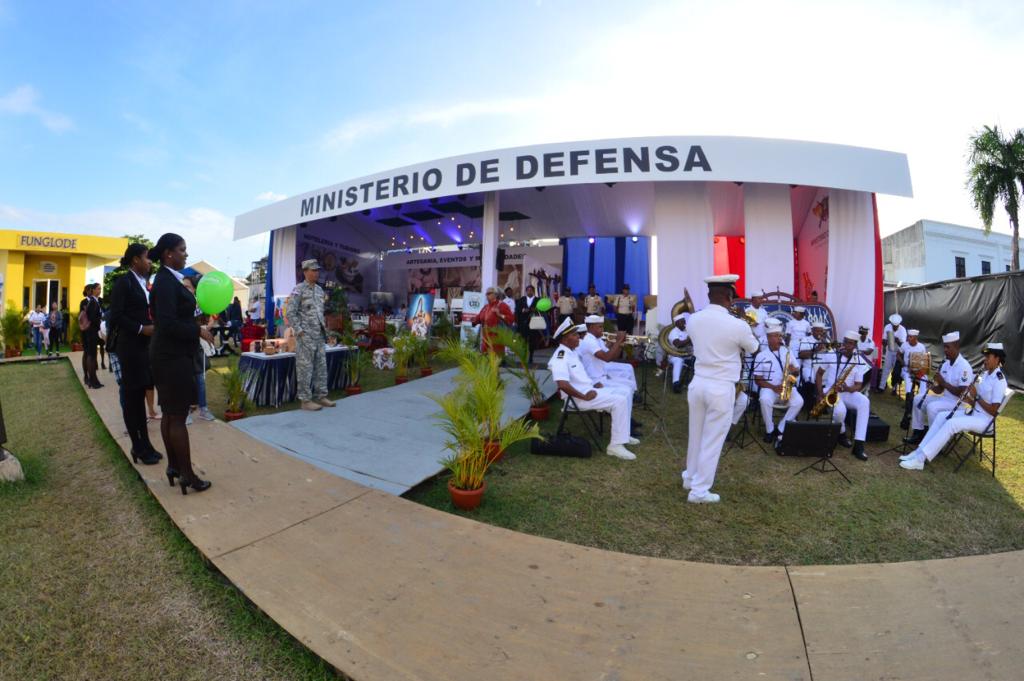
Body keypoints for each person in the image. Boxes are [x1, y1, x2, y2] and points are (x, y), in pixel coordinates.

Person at [682, 274, 760, 503]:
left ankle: (690, 476)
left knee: (695, 434)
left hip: (698, 383)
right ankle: (699, 491)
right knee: (712, 439)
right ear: (730, 296)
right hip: (721, 386)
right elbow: (753, 348)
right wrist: (745, 323)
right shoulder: (738, 325)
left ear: (708, 295)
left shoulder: (694, 319)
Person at [148, 233, 214, 494]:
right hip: (171, 357)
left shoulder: (168, 279)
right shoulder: (165, 282)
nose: (186, 254)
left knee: (170, 414)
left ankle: (174, 467)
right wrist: (197, 331)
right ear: (168, 254)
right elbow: (167, 323)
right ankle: (188, 474)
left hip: (169, 355)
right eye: (182, 250)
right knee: (177, 416)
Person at [900, 342, 1008, 471]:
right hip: (974, 413)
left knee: (951, 424)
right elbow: (977, 402)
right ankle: (918, 452)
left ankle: (920, 459)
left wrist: (977, 396)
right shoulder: (985, 375)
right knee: (941, 417)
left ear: (997, 359)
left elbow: (994, 411)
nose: (985, 360)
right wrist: (969, 398)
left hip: (985, 421)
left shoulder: (999, 380)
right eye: (985, 357)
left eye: (988, 357)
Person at [547, 318, 639, 460]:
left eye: (577, 334)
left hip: (589, 390)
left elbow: (582, 374)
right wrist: (583, 396)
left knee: (626, 392)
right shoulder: (560, 357)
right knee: (619, 401)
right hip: (578, 399)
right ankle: (615, 446)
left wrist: (593, 383)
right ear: (565, 339)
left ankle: (624, 435)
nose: (579, 337)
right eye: (574, 335)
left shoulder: (572, 352)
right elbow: (563, 385)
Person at [107, 243, 163, 465]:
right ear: (135, 261)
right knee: (132, 399)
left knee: (141, 395)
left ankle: (146, 444)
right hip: (130, 347)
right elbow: (116, 316)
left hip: (144, 347)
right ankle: (137, 446)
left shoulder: (143, 283)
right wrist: (142, 328)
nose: (150, 262)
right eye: (147, 258)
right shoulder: (124, 283)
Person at [904, 331, 974, 446]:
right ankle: (918, 432)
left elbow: (962, 393)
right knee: (918, 399)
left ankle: (936, 441)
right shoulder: (946, 364)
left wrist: (943, 382)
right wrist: (931, 385)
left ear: (956, 347)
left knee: (932, 407)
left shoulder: (964, 366)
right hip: (944, 398)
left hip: (957, 403)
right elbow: (940, 390)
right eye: (944, 347)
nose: (945, 350)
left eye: (948, 347)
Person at [286, 259, 336, 412]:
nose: (316, 273)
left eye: (317, 270)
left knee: (321, 366)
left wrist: (326, 332)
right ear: (305, 271)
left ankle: (321, 396)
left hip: (319, 335)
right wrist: (300, 331)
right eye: (313, 270)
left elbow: (320, 314)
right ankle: (305, 400)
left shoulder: (320, 291)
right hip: (305, 336)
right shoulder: (298, 289)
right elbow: (290, 312)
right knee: (305, 368)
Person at [813, 331, 872, 460]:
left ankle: (859, 444)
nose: (846, 345)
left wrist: (848, 388)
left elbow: (858, 385)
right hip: (831, 392)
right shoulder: (832, 355)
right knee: (840, 411)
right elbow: (819, 374)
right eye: (845, 341)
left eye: (850, 343)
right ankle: (841, 433)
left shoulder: (858, 360)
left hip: (847, 392)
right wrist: (820, 393)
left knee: (864, 401)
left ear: (855, 345)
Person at [752, 320, 802, 444]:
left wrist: (794, 371)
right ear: (769, 338)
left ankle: (781, 428)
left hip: (787, 387)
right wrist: (773, 387)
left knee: (799, 401)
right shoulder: (761, 355)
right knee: (764, 399)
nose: (780, 338)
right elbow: (757, 379)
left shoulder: (787, 352)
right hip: (770, 388)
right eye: (776, 336)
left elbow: (797, 372)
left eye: (780, 335)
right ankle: (769, 430)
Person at [181, 276, 216, 424]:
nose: (185, 289)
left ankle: (203, 409)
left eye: (188, 287)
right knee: (186, 381)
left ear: (194, 289)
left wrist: (206, 328)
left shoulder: (199, 304)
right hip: (182, 347)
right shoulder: (178, 303)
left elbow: (212, 316)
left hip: (196, 346)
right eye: (183, 286)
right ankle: (187, 411)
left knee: (200, 380)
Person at [578, 315, 638, 394]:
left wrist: (620, 345)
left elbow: (613, 357)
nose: (602, 330)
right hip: (596, 380)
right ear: (592, 327)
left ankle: (634, 398)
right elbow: (607, 358)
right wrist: (618, 341)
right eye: (600, 327)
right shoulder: (589, 341)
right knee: (627, 388)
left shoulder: (596, 339)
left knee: (630, 384)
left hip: (603, 375)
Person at [898, 329, 929, 430]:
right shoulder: (904, 345)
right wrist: (903, 362)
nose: (908, 339)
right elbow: (898, 354)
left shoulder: (921, 347)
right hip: (907, 370)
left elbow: (924, 361)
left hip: (918, 371)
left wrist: (919, 370)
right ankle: (908, 407)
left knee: (925, 380)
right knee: (908, 382)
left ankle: (920, 403)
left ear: (916, 338)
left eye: (911, 337)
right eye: (908, 336)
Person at [471, 286, 514, 355]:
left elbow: (511, 319)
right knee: (485, 359)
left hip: (497, 338)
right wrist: (473, 321)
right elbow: (479, 318)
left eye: (489, 293)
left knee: (495, 360)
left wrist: (500, 315)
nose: (487, 295)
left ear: (496, 295)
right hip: (485, 338)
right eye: (486, 294)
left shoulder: (502, 305)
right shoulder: (486, 307)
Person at [80, 283, 104, 388]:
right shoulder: (93, 302)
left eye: (100, 289)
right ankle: (93, 381)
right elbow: (93, 318)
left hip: (91, 332)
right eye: (98, 289)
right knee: (91, 356)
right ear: (93, 290)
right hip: (91, 332)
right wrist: (101, 321)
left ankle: (93, 380)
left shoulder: (94, 302)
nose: (100, 291)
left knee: (91, 355)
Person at [877, 313, 907, 394]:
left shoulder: (903, 330)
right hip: (889, 351)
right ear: (891, 323)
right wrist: (885, 341)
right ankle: (881, 387)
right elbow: (883, 341)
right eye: (893, 325)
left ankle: (894, 388)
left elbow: (903, 346)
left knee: (896, 371)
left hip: (898, 353)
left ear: (899, 324)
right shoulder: (887, 327)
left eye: (896, 326)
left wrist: (898, 341)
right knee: (886, 369)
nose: (894, 327)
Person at [667, 312, 694, 393]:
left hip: (687, 354)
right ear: (677, 323)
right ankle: (676, 384)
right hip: (674, 355)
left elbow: (692, 343)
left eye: (684, 321)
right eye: (682, 321)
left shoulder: (687, 330)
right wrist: (689, 339)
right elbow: (678, 344)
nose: (685, 323)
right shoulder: (673, 332)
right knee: (678, 361)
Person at [515, 285, 540, 363]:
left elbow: (542, 311)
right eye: (528, 290)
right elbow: (517, 310)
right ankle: (524, 355)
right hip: (523, 323)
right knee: (523, 340)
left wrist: (535, 310)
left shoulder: (538, 300)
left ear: (533, 291)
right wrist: (523, 310)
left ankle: (531, 356)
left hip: (533, 323)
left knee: (532, 340)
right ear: (526, 291)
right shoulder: (522, 299)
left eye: (531, 290)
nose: (529, 291)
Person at [856, 325, 877, 393]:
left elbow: (869, 352)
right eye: (861, 333)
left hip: (867, 362)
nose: (862, 335)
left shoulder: (870, 341)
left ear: (866, 333)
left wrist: (860, 351)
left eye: (864, 333)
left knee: (873, 369)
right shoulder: (856, 340)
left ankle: (867, 388)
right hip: (856, 360)